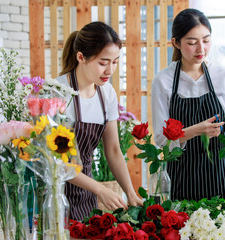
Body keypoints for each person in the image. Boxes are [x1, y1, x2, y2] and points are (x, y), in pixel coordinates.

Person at [151, 9, 225, 201]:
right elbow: (160, 139)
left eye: (206, 41)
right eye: (192, 43)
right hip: (182, 178)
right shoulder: (163, 80)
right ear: (176, 42)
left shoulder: (222, 76)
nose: (201, 49)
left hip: (221, 176)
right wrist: (195, 131)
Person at [57, 21, 143, 221]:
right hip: (54, 192)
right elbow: (56, 163)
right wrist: (100, 189)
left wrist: (130, 192)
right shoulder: (57, 93)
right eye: (103, 63)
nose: (110, 70)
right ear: (81, 57)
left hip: (87, 194)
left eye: (115, 62)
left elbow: (113, 150)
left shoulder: (106, 94)